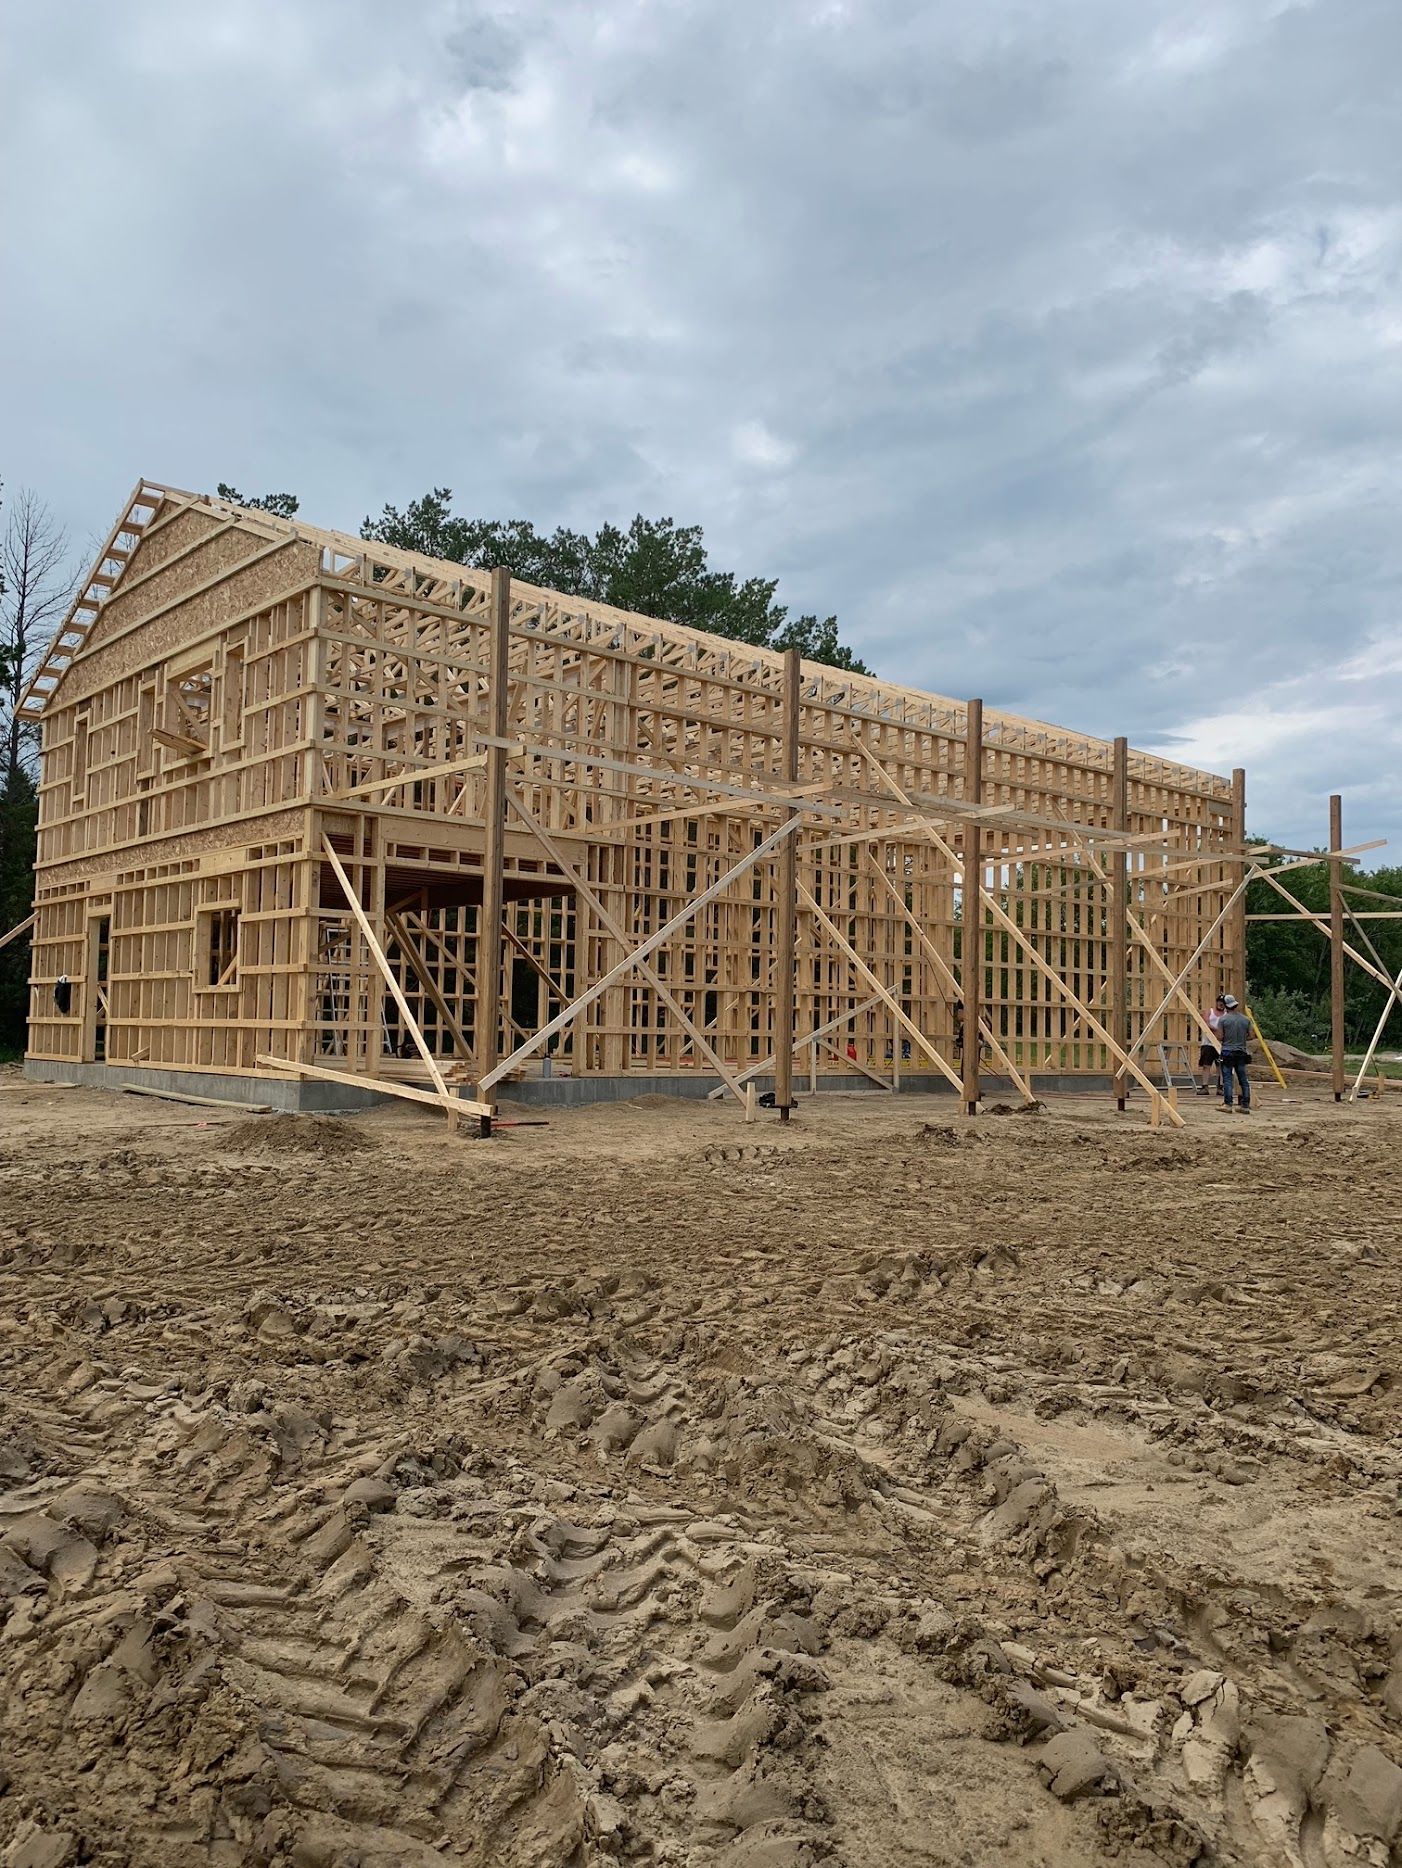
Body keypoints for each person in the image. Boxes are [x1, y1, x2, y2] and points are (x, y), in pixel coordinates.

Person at [1217, 994, 1252, 1113]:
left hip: (1227, 1051)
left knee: (1227, 1078)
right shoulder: (1245, 1020)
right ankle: (1245, 1105)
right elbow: (1251, 1035)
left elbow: (1220, 1036)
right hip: (1241, 1051)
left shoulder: (1223, 1020)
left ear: (1226, 1006)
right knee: (1243, 1079)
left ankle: (1228, 1104)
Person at [1198, 994, 1225, 1096]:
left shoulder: (1226, 1015)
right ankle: (1205, 1087)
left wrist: (1220, 1033)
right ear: (1216, 1002)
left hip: (1221, 1044)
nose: (1221, 1004)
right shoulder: (1209, 1012)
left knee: (1221, 1066)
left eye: (1223, 1003)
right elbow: (1205, 1023)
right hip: (1208, 1044)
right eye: (1219, 1002)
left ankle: (1220, 1087)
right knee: (1206, 1066)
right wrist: (1217, 1030)